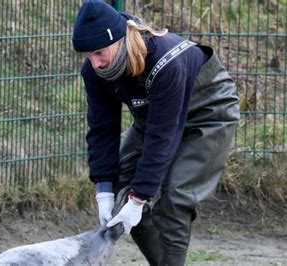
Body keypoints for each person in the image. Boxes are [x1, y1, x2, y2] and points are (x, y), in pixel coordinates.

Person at [71, 1, 240, 265]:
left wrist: (140, 199)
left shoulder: (166, 62)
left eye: (99, 53)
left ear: (119, 39)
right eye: (87, 56)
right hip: (156, 118)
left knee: (175, 199)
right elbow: (102, 128)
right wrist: (104, 189)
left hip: (207, 115)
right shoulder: (96, 72)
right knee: (121, 197)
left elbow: (162, 137)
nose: (95, 63)